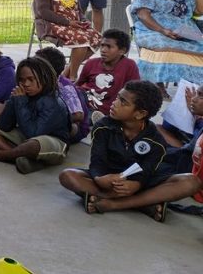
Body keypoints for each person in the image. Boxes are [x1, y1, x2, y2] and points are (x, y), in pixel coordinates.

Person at [58, 81, 202, 220]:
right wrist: (99, 178)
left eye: (123, 102)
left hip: (141, 183)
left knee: (191, 182)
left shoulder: (156, 141)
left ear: (140, 114)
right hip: (108, 178)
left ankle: (113, 204)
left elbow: (147, 169)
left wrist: (137, 184)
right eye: (117, 98)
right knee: (68, 176)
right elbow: (97, 161)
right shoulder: (103, 127)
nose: (114, 103)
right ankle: (143, 204)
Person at [0, 56, 71, 174]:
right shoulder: (22, 94)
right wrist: (13, 101)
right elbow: (4, 125)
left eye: (31, 79)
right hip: (25, 134)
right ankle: (22, 158)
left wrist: (21, 102)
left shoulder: (52, 102)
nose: (26, 84)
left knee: (33, 144)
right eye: (22, 80)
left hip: (51, 142)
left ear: (44, 78)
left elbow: (33, 133)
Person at [128, 0, 203, 86]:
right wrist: (163, 30)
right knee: (162, 44)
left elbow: (200, 11)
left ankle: (191, 86)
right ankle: (157, 84)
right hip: (154, 31)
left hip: (185, 33)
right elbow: (143, 15)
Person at [32, 0, 101, 80]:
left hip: (73, 25)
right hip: (52, 25)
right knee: (82, 40)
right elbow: (43, 12)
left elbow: (79, 12)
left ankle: (66, 72)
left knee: (97, 37)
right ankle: (73, 76)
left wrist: (84, 21)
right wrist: (68, 22)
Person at [75, 29, 140, 121]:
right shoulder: (91, 63)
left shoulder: (129, 66)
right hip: (85, 102)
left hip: (107, 110)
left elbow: (134, 93)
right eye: (102, 45)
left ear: (122, 51)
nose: (103, 50)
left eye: (109, 47)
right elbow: (78, 85)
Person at [34, 46, 91, 149]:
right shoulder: (36, 81)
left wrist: (48, 118)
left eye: (35, 66)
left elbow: (78, 115)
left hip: (76, 127)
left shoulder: (65, 87)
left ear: (47, 70)